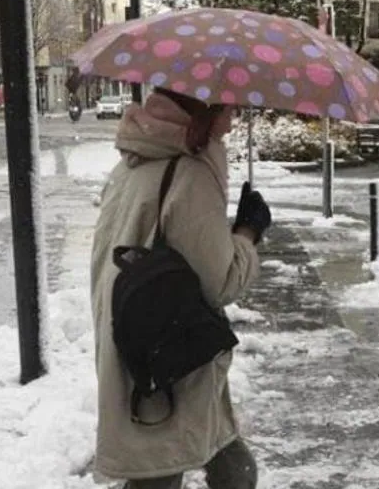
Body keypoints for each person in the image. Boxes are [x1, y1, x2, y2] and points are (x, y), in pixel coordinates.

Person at [90, 87, 272, 489]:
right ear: (204, 109)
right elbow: (222, 282)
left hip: (136, 340)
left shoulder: (133, 163)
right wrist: (248, 232)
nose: (236, 113)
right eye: (229, 104)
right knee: (163, 471)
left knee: (228, 463)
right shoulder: (189, 175)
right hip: (170, 357)